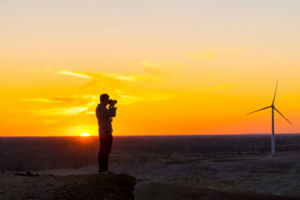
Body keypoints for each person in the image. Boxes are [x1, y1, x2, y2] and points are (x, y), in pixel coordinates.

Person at [96, 93, 117, 174]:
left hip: (104, 132)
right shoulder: (101, 108)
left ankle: (103, 169)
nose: (108, 101)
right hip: (105, 132)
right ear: (105, 100)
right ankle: (103, 169)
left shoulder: (101, 108)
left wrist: (110, 107)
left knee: (104, 151)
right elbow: (113, 114)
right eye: (108, 100)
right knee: (104, 151)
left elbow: (109, 115)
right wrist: (112, 107)